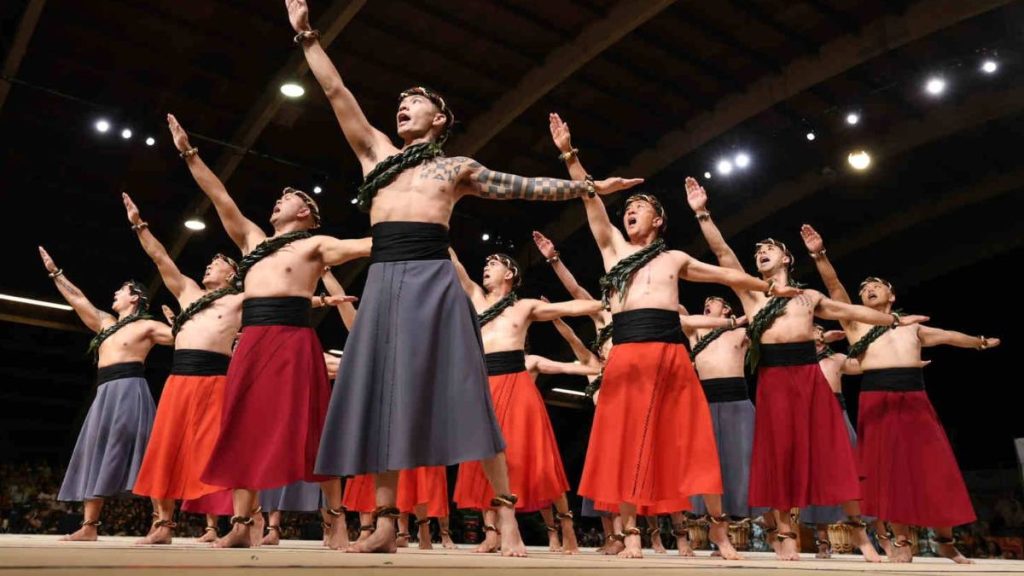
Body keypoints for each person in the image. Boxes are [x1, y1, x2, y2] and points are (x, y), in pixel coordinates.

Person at [287, 0, 641, 556]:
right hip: (383, 280)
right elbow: (336, 93)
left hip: (432, 281)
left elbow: (523, 187)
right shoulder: (374, 153)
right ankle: (386, 523)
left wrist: (587, 187)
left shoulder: (456, 168)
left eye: (415, 102)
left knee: (467, 392)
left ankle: (507, 516)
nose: (403, 107)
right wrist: (309, 38)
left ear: (440, 120)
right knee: (383, 394)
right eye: (400, 103)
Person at [549, 114, 799, 560]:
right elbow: (590, 199)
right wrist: (569, 154)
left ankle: (720, 534)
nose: (630, 210)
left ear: (659, 219)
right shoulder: (612, 250)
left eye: (640, 205)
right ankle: (631, 534)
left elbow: (725, 274)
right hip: (627, 355)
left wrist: (768, 289)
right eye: (629, 207)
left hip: (670, 355)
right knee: (625, 441)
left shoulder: (675, 258)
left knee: (692, 441)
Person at [685, 181, 926, 562]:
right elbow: (723, 252)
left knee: (834, 452)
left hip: (809, 377)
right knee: (779, 456)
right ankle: (786, 534)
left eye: (769, 249)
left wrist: (893, 320)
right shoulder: (752, 294)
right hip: (773, 380)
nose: (761, 253)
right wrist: (702, 213)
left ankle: (860, 534)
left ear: (786, 259)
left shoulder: (808, 297)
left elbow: (849, 311)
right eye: (757, 252)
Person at [167, 114, 372, 548]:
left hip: (294, 340)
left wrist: (416, 224)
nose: (278, 200)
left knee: (312, 428)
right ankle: (243, 523)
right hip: (252, 341)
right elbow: (219, 197)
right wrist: (189, 154)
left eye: (288, 198)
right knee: (242, 425)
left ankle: (335, 518)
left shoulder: (316, 244)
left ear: (305, 212)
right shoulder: (253, 242)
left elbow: (370, 245)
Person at [800, 223, 999, 564]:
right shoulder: (856, 323)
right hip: (876, 399)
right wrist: (819, 256)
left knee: (934, 467)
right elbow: (834, 288)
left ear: (891, 296)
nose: (869, 290)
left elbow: (949, 336)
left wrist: (979, 342)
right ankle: (901, 540)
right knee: (887, 473)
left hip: (915, 399)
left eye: (876, 286)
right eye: (864, 289)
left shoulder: (913, 327)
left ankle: (945, 540)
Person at [449, 251, 602, 555]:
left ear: (509, 274)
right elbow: (457, 266)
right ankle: (492, 533)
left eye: (493, 264)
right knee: (481, 457)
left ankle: (566, 527)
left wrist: (606, 304)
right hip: (484, 385)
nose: (486, 267)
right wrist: (438, 231)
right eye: (485, 263)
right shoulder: (476, 299)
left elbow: (568, 307)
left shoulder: (524, 307)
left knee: (536, 460)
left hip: (517, 386)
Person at [119, 193, 243, 545]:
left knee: (214, 451)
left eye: (219, 262)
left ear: (233, 274)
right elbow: (160, 257)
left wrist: (323, 300)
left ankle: (233, 523)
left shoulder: (239, 299)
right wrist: (139, 225)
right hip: (179, 378)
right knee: (165, 447)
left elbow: (280, 298)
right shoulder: (188, 291)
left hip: (216, 379)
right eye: (211, 262)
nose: (211, 265)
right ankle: (163, 524)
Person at [38, 247, 172, 541]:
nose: (115, 293)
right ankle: (89, 526)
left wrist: (183, 323)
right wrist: (56, 273)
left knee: (144, 452)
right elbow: (78, 299)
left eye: (121, 290)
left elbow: (180, 339)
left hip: (131, 389)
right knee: (95, 451)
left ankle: (162, 524)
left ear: (135, 297)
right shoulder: (105, 324)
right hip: (104, 392)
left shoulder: (148, 325)